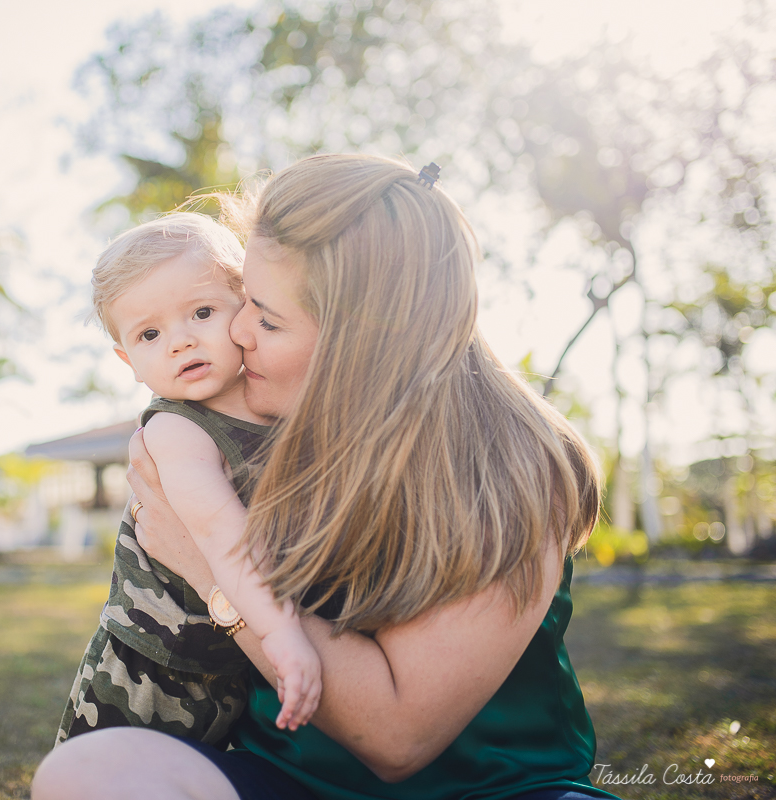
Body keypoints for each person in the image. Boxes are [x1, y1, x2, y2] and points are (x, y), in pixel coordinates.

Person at [33, 154, 621, 800]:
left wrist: (208, 573)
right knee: (83, 772)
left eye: (266, 317)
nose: (237, 331)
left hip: (496, 792)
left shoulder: (515, 468)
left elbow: (398, 739)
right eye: (244, 301)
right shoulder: (247, 424)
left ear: (361, 338)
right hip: (289, 783)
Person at [55, 212, 321, 750]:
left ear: (245, 309)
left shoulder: (277, 405)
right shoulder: (178, 429)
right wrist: (281, 632)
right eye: (150, 334)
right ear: (129, 360)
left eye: (201, 312)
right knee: (111, 776)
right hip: (151, 669)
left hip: (236, 665)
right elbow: (222, 533)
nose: (180, 341)